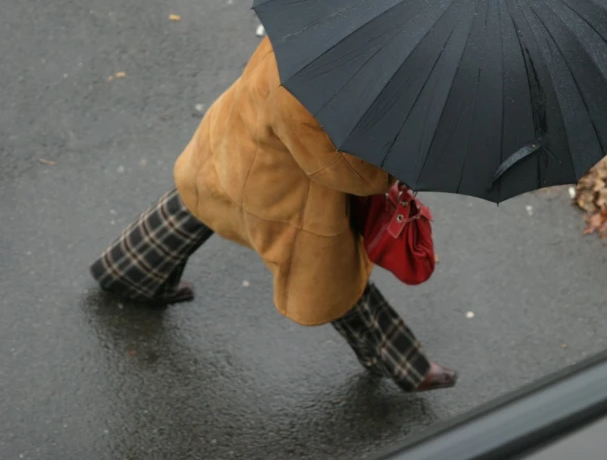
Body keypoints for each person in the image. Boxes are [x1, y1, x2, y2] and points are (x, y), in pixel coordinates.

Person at [89, 37, 457, 393]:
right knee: (333, 280)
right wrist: (393, 166)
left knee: (200, 198)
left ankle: (127, 271)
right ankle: (405, 365)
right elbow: (357, 177)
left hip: (232, 141)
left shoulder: (307, 29)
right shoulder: (311, 99)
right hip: (282, 196)